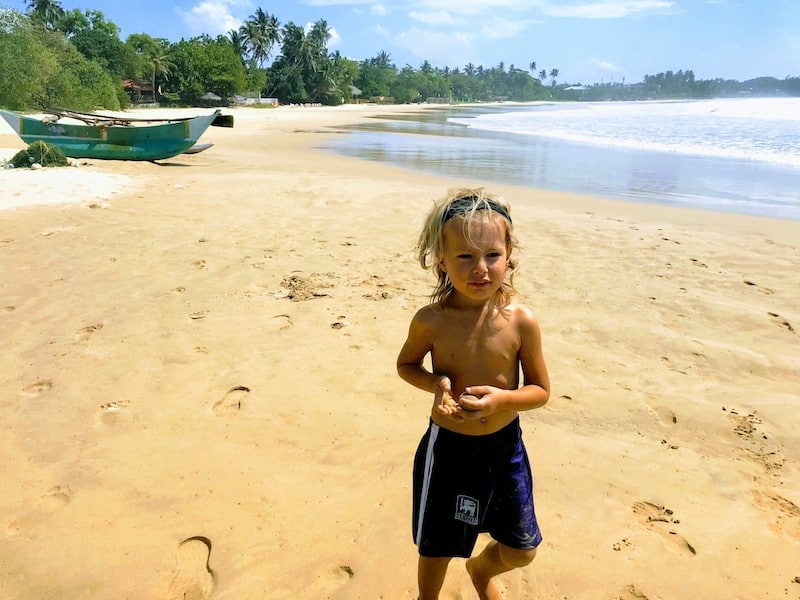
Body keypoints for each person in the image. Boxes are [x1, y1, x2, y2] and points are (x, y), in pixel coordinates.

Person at [397, 189, 550, 600]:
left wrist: (502, 401)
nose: (480, 269)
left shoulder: (521, 322)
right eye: (464, 257)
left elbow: (540, 391)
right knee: (438, 544)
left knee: (522, 547)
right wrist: (437, 385)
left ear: (509, 254)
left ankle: (482, 571)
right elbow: (406, 366)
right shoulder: (431, 321)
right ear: (440, 260)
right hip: (448, 449)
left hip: (505, 449)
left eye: (492, 255)